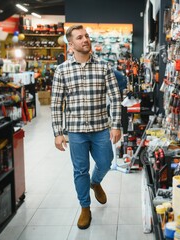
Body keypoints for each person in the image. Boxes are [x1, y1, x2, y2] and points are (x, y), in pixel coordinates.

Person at [51, 25, 122, 230]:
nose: (85, 40)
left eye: (87, 36)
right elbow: (56, 103)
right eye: (80, 37)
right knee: (79, 170)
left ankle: (96, 182)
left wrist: (116, 125)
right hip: (75, 130)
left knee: (106, 161)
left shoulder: (103, 66)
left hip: (100, 127)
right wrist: (58, 133)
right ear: (71, 44)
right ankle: (85, 207)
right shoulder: (62, 70)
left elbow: (115, 98)